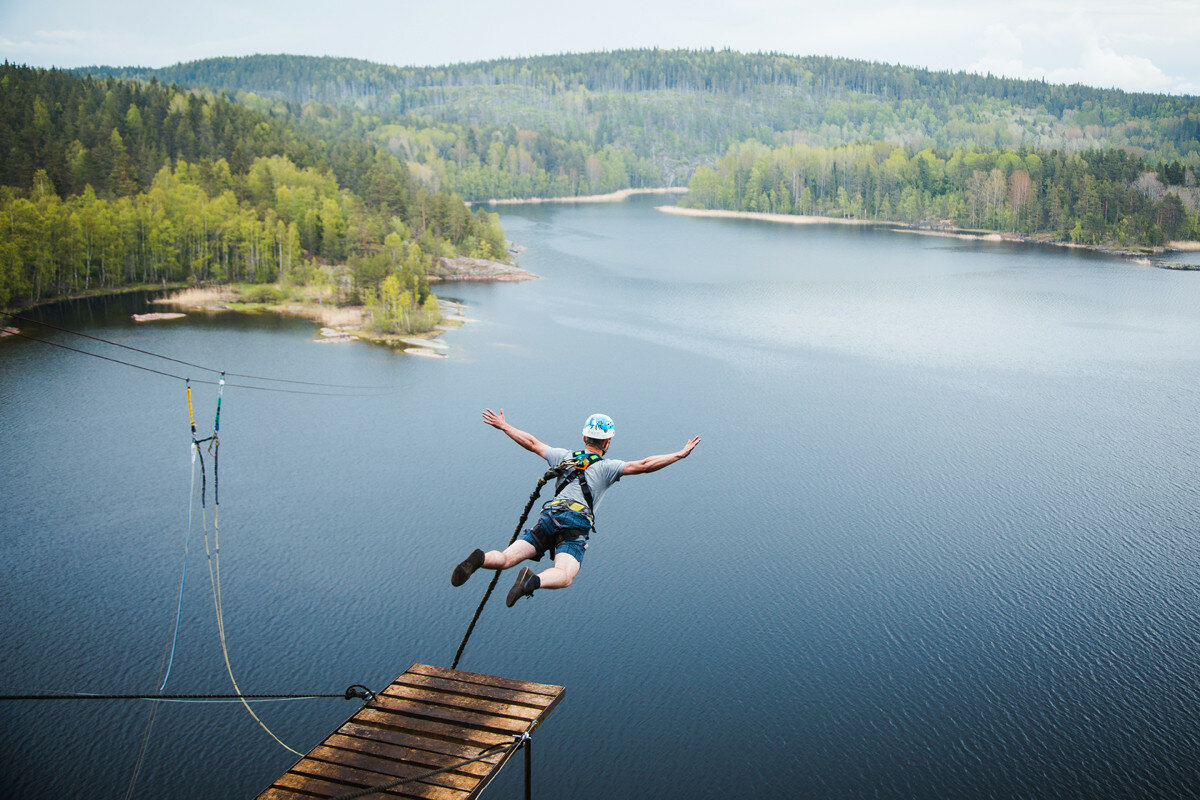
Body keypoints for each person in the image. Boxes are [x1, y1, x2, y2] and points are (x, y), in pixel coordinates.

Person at [451, 409, 701, 607]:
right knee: (565, 574)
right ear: (608, 442)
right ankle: (531, 582)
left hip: (549, 516)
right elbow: (646, 464)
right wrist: (679, 454)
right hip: (574, 524)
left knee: (505, 559)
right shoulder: (607, 467)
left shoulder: (563, 456)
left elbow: (531, 442)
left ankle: (481, 558)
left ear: (584, 437)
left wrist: (505, 426)